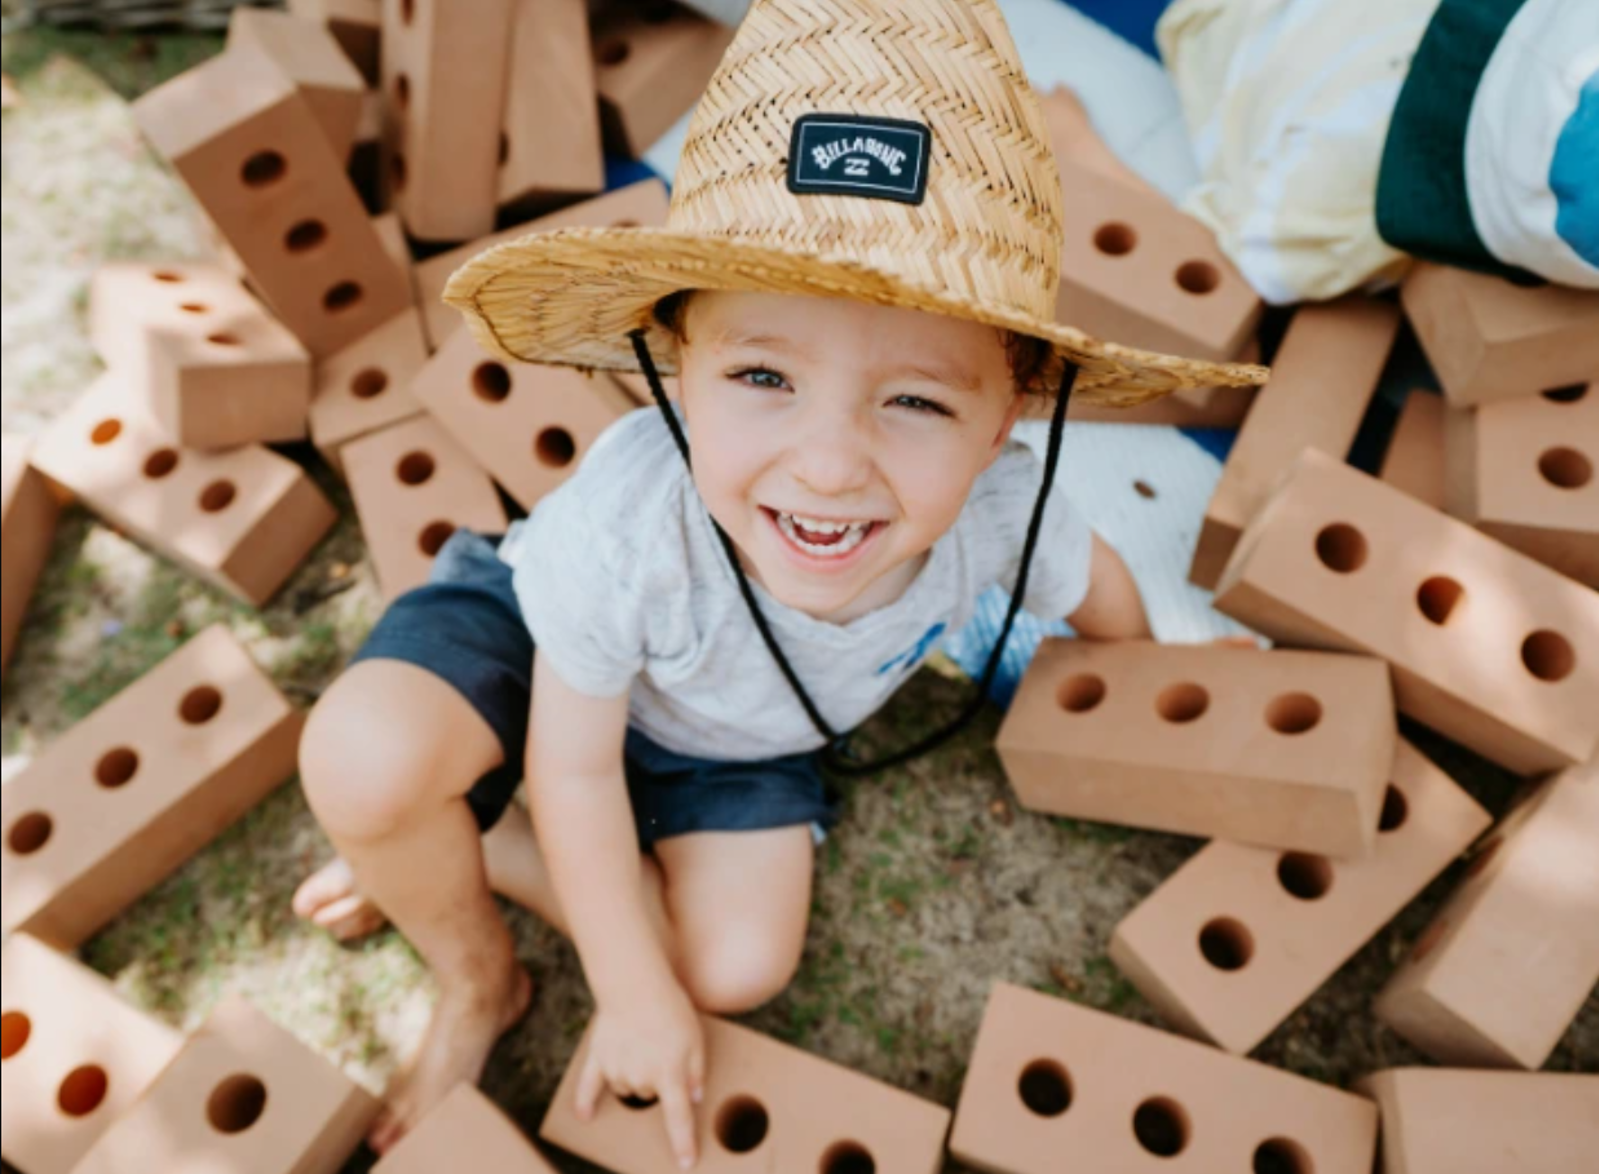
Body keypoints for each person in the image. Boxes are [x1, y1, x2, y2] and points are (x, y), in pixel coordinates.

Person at [290, 0, 1267, 1160]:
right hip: (553, 662)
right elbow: (578, 762)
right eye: (762, 374)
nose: (826, 465)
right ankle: (475, 970)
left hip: (744, 737)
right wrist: (627, 988)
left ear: (1010, 414)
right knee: (365, 760)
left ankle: (460, 845)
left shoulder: (1005, 503)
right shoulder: (630, 524)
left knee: (734, 967)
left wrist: (1162, 677)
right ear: (677, 362)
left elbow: (1091, 582)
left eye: (914, 400)